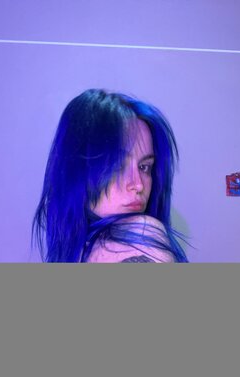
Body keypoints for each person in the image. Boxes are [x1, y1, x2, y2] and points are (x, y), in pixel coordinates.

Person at [31, 89, 191, 262]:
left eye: (144, 167)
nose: (138, 185)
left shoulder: (143, 233)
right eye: (117, 166)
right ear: (78, 169)